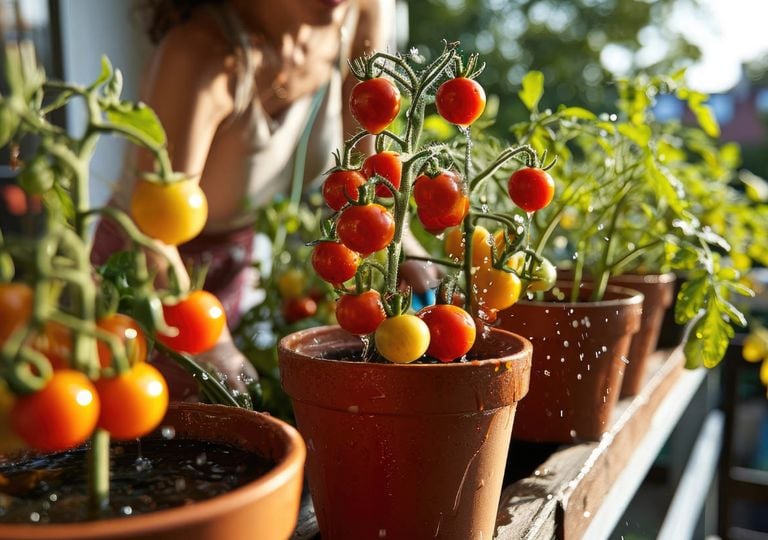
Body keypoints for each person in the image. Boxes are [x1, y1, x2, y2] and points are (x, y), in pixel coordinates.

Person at [92, 0, 396, 399]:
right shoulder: (201, 53)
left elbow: (364, 177)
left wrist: (397, 254)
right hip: (143, 270)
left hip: (232, 262)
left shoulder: (358, 13)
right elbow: (150, 232)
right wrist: (211, 339)